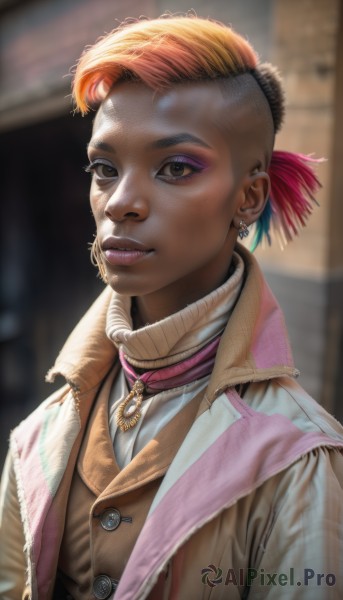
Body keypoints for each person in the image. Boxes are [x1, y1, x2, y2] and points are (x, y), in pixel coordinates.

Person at [0, 14, 342, 600]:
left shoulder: (296, 460)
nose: (121, 202)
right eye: (104, 169)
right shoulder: (42, 433)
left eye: (176, 168)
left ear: (249, 194)